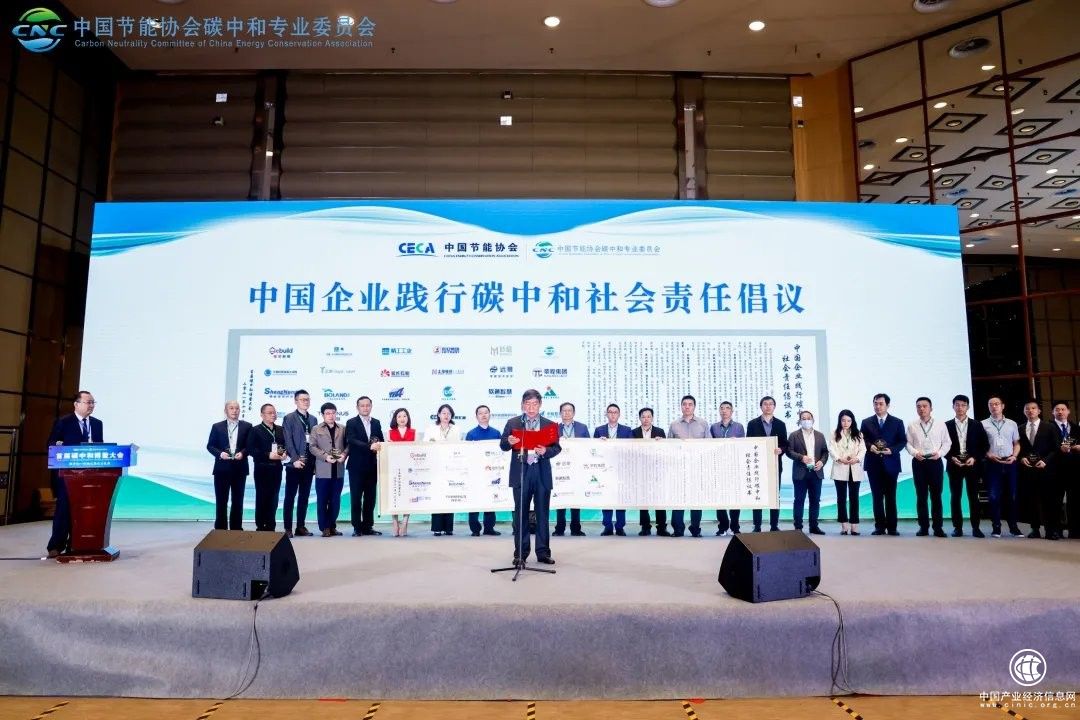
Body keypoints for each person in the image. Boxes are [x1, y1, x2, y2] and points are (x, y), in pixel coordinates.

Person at [499, 389, 562, 565]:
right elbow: (502, 445)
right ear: (522, 405)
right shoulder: (513, 423)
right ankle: (520, 553)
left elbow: (556, 448)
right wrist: (508, 441)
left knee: (542, 515)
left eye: (534, 404)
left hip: (541, 473)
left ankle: (543, 552)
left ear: (540, 405)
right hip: (521, 472)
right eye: (528, 404)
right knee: (520, 515)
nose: (531, 407)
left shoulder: (549, 424)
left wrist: (546, 451)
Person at [46, 390, 104, 557]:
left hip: (90, 475)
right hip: (68, 475)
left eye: (93, 402)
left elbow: (100, 448)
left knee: (85, 511)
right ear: (76, 404)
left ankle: (77, 544)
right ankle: (55, 546)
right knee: (64, 509)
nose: (91, 405)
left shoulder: (97, 424)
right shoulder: (63, 422)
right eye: (88, 402)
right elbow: (51, 445)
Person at [860, 393, 906, 536]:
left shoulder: (897, 422)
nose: (878, 406)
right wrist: (870, 446)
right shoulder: (866, 422)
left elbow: (902, 441)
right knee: (877, 497)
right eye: (875, 403)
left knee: (891, 497)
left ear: (887, 405)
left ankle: (892, 527)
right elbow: (862, 440)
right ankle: (879, 527)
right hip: (873, 464)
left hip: (891, 464)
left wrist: (892, 450)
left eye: (881, 404)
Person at [905, 397, 952, 538]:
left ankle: (938, 528)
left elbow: (947, 443)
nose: (921, 409)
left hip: (935, 462)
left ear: (931, 408)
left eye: (925, 406)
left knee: (936, 496)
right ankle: (923, 527)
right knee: (921, 496)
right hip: (919, 462)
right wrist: (915, 453)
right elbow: (907, 443)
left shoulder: (940, 424)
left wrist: (940, 454)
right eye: (918, 406)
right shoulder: (912, 425)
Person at [944, 394, 989, 538]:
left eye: (963, 405)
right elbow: (942, 446)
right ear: (953, 407)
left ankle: (976, 528)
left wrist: (974, 458)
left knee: (973, 496)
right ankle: (957, 528)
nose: (960, 408)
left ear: (968, 407)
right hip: (954, 465)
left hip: (972, 466)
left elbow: (985, 445)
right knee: (955, 496)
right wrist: (951, 457)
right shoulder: (946, 425)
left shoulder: (977, 424)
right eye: (957, 405)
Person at [206, 400, 251, 531]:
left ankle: (236, 529)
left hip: (240, 468)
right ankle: (220, 529)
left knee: (238, 500)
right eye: (231, 408)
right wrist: (220, 454)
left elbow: (250, 446)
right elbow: (210, 446)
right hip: (222, 469)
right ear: (226, 411)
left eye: (237, 408)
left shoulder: (247, 426)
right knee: (221, 500)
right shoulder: (217, 426)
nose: (234, 411)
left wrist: (243, 453)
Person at [746, 395, 789, 533]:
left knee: (774, 495)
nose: (768, 406)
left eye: (771, 404)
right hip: (757, 465)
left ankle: (774, 525)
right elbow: (748, 443)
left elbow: (785, 444)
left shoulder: (781, 424)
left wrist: (781, 449)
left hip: (775, 465)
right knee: (757, 495)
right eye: (765, 404)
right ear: (761, 406)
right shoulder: (752, 424)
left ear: (774, 407)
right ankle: (757, 526)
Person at [1019, 399, 1060, 540]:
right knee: (1031, 500)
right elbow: (1019, 449)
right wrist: (1021, 458)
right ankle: (1035, 529)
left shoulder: (1049, 427)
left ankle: (1051, 530)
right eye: (1027, 408)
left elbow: (1056, 448)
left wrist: (1045, 461)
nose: (1030, 411)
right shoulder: (1020, 428)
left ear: (1039, 411)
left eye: (1033, 408)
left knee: (1049, 500)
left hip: (1046, 469)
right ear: (1024, 411)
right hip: (1028, 470)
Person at [668, 394, 710, 537]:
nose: (687, 407)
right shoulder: (674, 424)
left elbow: (709, 445)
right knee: (678, 499)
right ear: (681, 406)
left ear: (694, 406)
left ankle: (695, 529)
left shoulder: (703, 423)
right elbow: (669, 446)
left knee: (696, 499)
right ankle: (678, 529)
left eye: (690, 404)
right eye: (684, 404)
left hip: (697, 467)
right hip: (679, 468)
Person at [982, 396, 1022, 538]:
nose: (994, 406)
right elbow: (981, 446)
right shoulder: (982, 424)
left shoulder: (1012, 424)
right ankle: (996, 527)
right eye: (991, 404)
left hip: (1010, 462)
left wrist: (1014, 456)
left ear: (1002, 406)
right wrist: (989, 454)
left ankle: (1014, 527)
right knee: (993, 496)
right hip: (992, 463)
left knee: (1012, 496)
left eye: (997, 404)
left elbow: (1016, 443)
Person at [345, 396, 384, 536]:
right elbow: (351, 440)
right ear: (357, 407)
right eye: (362, 405)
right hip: (356, 467)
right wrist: (369, 446)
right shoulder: (351, 422)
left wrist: (379, 445)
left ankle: (368, 526)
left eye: (368, 405)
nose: (365, 408)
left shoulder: (376, 422)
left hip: (372, 466)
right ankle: (357, 527)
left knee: (370, 498)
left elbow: (381, 440)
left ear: (371, 406)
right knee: (356, 498)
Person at [245, 403, 286, 532]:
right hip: (262, 468)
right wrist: (268, 455)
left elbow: (284, 445)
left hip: (276, 468)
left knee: (274, 497)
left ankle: (271, 525)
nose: (273, 415)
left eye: (274, 412)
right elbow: (251, 449)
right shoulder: (255, 430)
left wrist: (284, 454)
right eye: (269, 413)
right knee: (262, 496)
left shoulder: (281, 429)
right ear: (262, 415)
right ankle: (260, 525)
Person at [282, 390, 317, 538]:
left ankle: (300, 527)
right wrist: (295, 459)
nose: (305, 402)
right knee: (290, 497)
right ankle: (287, 528)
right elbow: (288, 440)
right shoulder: (289, 418)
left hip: (309, 463)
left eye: (307, 399)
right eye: (302, 399)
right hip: (294, 464)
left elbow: (314, 442)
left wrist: (315, 464)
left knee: (304, 497)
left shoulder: (313, 419)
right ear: (296, 401)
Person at [786, 410, 828, 534]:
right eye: (803, 418)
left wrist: (822, 462)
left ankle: (814, 526)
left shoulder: (820, 435)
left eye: (808, 418)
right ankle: (798, 527)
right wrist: (801, 457)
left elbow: (825, 452)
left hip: (816, 472)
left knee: (815, 500)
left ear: (813, 420)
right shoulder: (794, 435)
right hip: (800, 472)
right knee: (799, 500)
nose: (806, 420)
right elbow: (789, 451)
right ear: (800, 421)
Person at [310, 402, 348, 537]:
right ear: (322, 415)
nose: (331, 416)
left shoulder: (343, 428)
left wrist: (344, 454)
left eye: (333, 413)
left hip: (338, 470)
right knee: (322, 501)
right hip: (323, 471)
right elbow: (312, 447)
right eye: (328, 413)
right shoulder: (316, 429)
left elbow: (348, 445)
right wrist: (325, 457)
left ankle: (332, 526)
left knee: (335, 501)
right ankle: (324, 527)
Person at [594, 403, 632, 536]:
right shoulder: (599, 430)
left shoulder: (627, 430)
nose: (613, 414)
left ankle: (620, 526)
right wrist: (599, 442)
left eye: (615, 412)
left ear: (619, 414)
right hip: (605, 469)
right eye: (610, 412)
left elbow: (631, 449)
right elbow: (593, 450)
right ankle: (608, 526)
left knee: (621, 499)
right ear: (606, 414)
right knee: (606, 498)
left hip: (622, 469)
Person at [553, 402, 589, 537]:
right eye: (564, 410)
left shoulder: (582, 427)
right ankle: (559, 528)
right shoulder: (554, 428)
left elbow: (588, 446)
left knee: (576, 497)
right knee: (560, 498)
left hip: (577, 468)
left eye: (569, 410)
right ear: (560, 413)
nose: (567, 413)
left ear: (573, 413)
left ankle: (576, 528)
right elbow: (550, 446)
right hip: (560, 468)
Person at [465, 404, 502, 537]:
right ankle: (475, 529)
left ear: (489, 415)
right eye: (480, 413)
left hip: (492, 472)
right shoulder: (471, 434)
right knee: (475, 500)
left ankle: (489, 528)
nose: (483, 415)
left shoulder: (496, 433)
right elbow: (467, 455)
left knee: (491, 499)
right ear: (476, 417)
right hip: (476, 472)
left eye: (486, 412)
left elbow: (500, 454)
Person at [710, 401, 745, 535]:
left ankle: (735, 527)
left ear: (732, 411)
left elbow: (744, 445)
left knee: (735, 497)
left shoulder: (739, 427)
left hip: (734, 466)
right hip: (718, 467)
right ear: (719, 411)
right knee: (719, 498)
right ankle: (722, 526)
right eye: (722, 408)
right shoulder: (713, 427)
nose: (724, 410)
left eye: (727, 408)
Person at [425, 403, 461, 535]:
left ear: (451, 415)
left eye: (449, 413)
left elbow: (459, 447)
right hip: (435, 467)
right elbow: (425, 445)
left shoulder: (456, 429)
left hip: (451, 467)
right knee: (437, 496)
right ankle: (437, 528)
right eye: (444, 413)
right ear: (439, 415)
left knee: (449, 496)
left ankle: (448, 527)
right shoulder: (431, 429)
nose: (446, 415)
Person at [828, 410, 865, 535]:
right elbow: (831, 449)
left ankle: (854, 525)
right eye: (843, 420)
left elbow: (863, 449)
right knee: (841, 498)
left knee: (854, 498)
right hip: (840, 467)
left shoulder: (858, 434)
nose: (846, 423)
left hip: (854, 468)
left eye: (848, 420)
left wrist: (857, 459)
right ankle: (844, 525)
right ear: (840, 421)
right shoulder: (834, 433)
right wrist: (839, 458)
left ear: (852, 421)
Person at [632, 407, 667, 536]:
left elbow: (665, 450)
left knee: (659, 499)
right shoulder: (634, 432)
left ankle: (661, 527)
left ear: (652, 418)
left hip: (657, 470)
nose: (646, 419)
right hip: (640, 470)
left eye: (649, 416)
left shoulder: (660, 431)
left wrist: (661, 443)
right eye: (643, 416)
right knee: (643, 500)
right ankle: (645, 527)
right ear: (639, 418)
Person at [387, 407, 415, 536]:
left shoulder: (413, 432)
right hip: (393, 469)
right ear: (395, 419)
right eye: (399, 416)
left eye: (404, 416)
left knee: (407, 497)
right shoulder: (390, 433)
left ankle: (404, 523)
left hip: (409, 469)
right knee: (394, 496)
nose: (402, 419)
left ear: (408, 418)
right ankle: (395, 523)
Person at [1051, 401, 1077, 540]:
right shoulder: (1048, 427)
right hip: (1055, 468)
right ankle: (1057, 530)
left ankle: (1075, 530)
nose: (1060, 412)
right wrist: (1059, 448)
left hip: (1073, 468)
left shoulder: (1075, 427)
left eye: (1063, 409)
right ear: (1053, 412)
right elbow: (1047, 447)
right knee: (1056, 500)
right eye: (1057, 409)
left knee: (1075, 500)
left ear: (1068, 411)